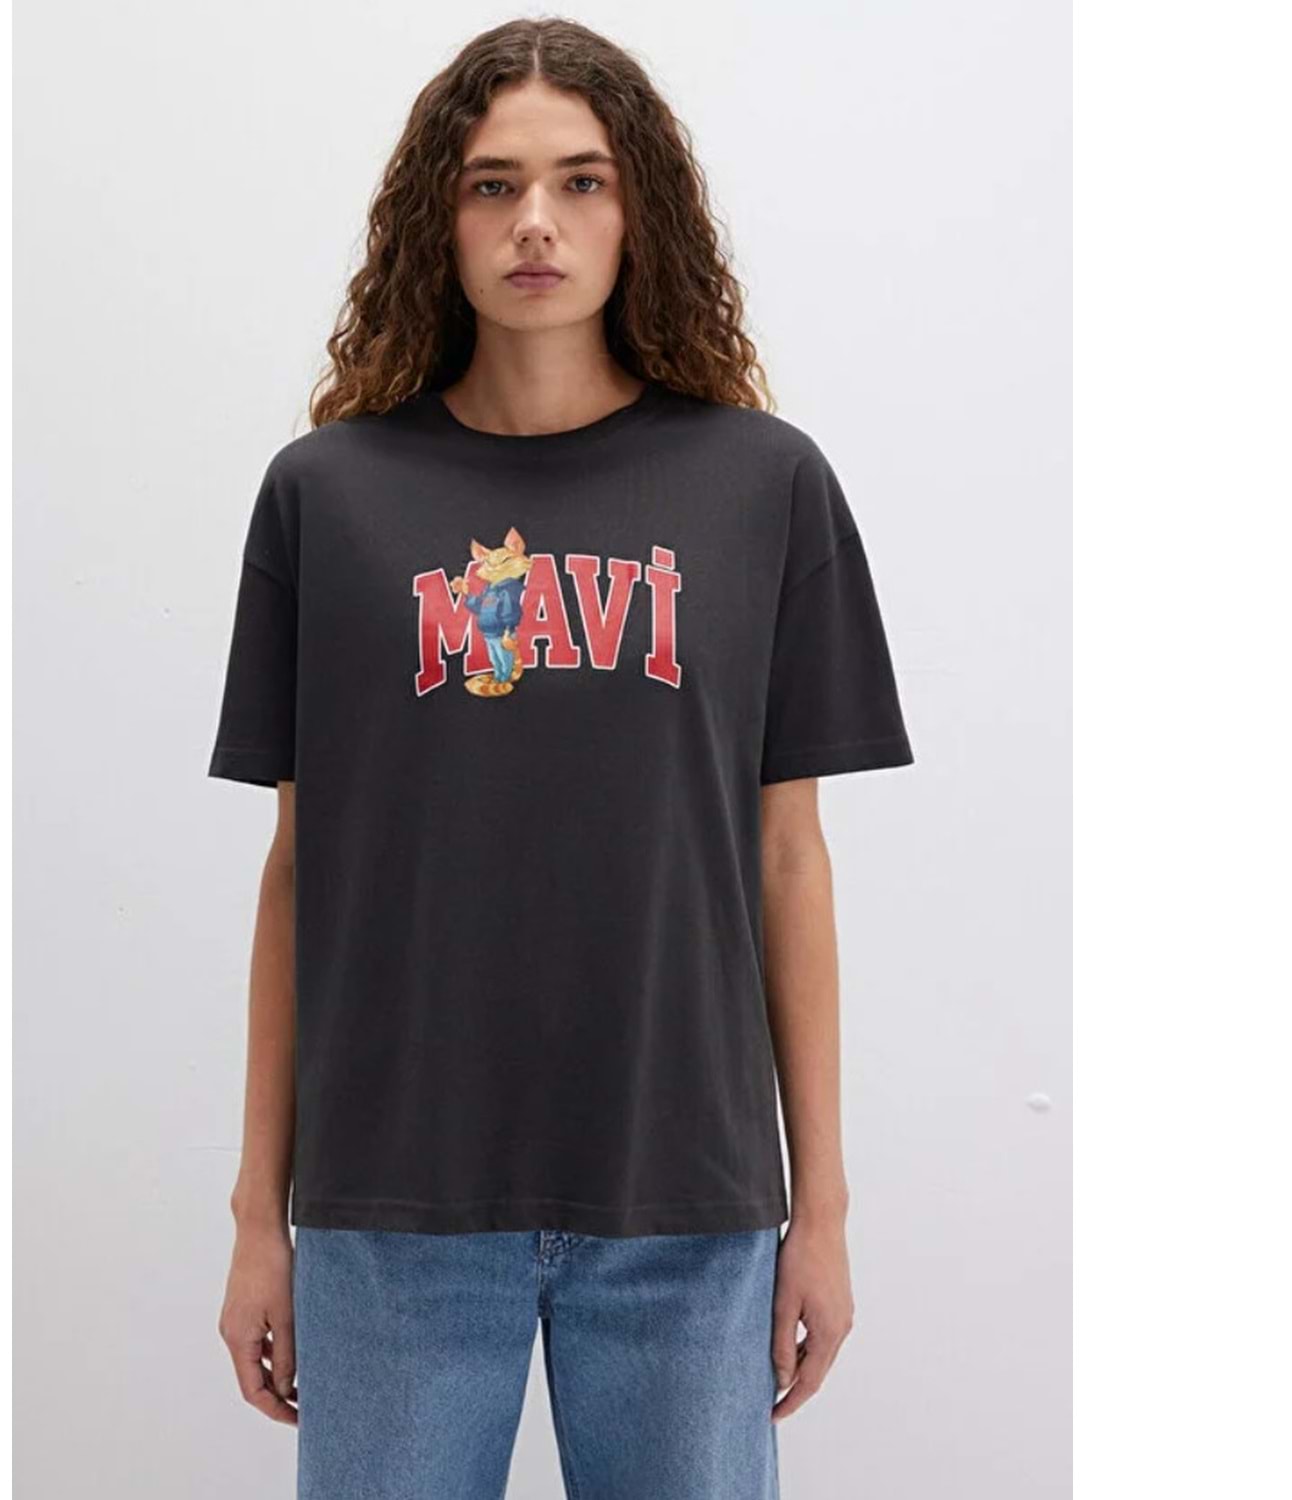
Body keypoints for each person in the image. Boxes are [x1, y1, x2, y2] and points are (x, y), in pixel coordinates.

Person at [208, 17, 914, 1498]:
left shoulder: (763, 485)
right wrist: (257, 1218)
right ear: (440, 218)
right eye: (494, 184)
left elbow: (789, 860)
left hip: (687, 1203)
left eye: (582, 181)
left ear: (637, 210)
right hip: (391, 1208)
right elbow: (298, 872)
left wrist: (825, 1211)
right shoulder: (326, 497)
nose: (537, 220)